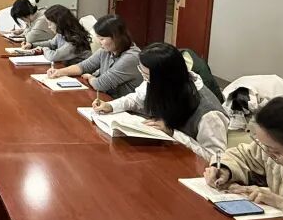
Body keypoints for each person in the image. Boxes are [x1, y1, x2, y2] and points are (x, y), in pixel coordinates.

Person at [94, 42, 228, 159]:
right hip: (163, 150)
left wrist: (173, 133)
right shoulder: (159, 83)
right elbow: (137, 99)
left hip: (187, 164)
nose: (144, 78)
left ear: (164, 77)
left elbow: (215, 158)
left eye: (146, 75)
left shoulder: (209, 114)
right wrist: (111, 106)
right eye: (141, 71)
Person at [46, 14, 142, 98]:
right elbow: (83, 66)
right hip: (107, 100)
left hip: (126, 109)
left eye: (102, 39)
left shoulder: (131, 57)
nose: (99, 43)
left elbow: (100, 84)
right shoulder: (106, 50)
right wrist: (59, 72)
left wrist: (90, 77)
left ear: (116, 37)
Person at [22, 4, 91, 64]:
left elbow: (52, 56)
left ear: (59, 23)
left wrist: (43, 49)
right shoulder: (61, 34)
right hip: (67, 68)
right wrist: (32, 45)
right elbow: (51, 44)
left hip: (80, 73)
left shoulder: (75, 41)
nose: (49, 27)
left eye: (50, 24)